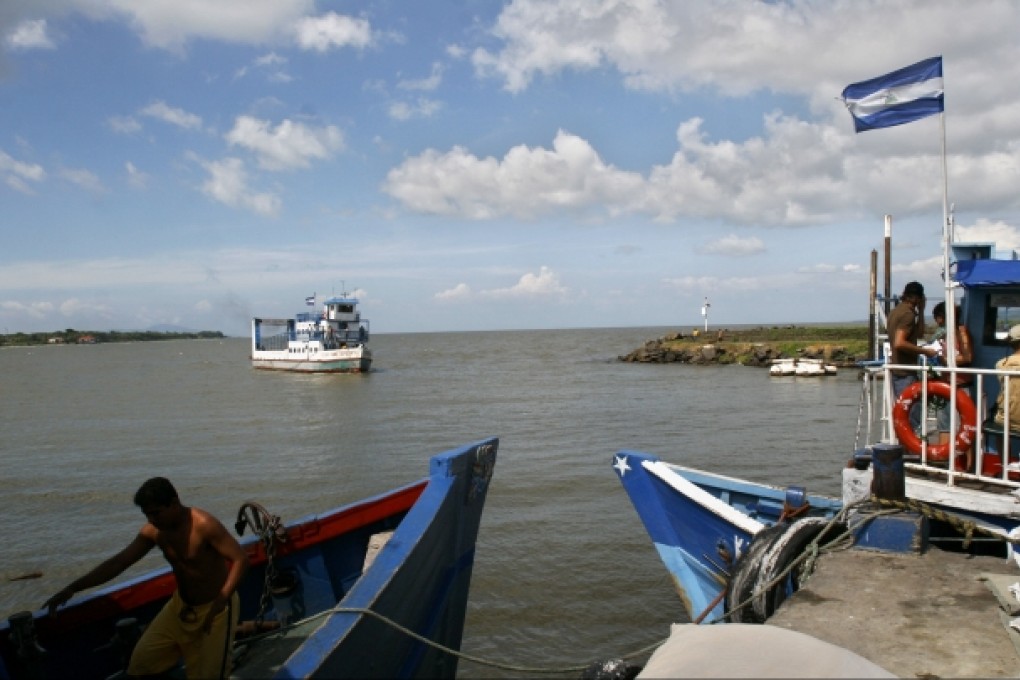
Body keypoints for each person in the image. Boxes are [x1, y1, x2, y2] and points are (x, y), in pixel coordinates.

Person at [44, 478, 249, 679]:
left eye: (156, 513)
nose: (152, 520)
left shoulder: (204, 525)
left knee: (209, 675)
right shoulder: (154, 532)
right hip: (181, 608)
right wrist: (73, 588)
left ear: (174, 503)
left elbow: (240, 559)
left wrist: (221, 600)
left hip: (217, 608)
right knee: (142, 663)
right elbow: (119, 563)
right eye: (147, 515)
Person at [887, 282, 940, 428]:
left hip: (899, 369)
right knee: (911, 413)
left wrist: (921, 312)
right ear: (918, 297)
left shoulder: (896, 311)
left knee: (905, 410)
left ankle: (906, 444)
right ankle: (910, 448)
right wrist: (925, 352)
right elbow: (899, 342)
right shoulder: (907, 315)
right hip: (905, 371)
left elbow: (919, 333)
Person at [931, 301, 975, 467]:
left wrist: (946, 360)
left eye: (939, 319)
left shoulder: (961, 332)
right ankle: (944, 463)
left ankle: (968, 465)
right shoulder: (942, 336)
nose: (938, 323)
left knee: (965, 427)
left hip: (961, 386)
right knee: (944, 426)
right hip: (945, 386)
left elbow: (968, 356)